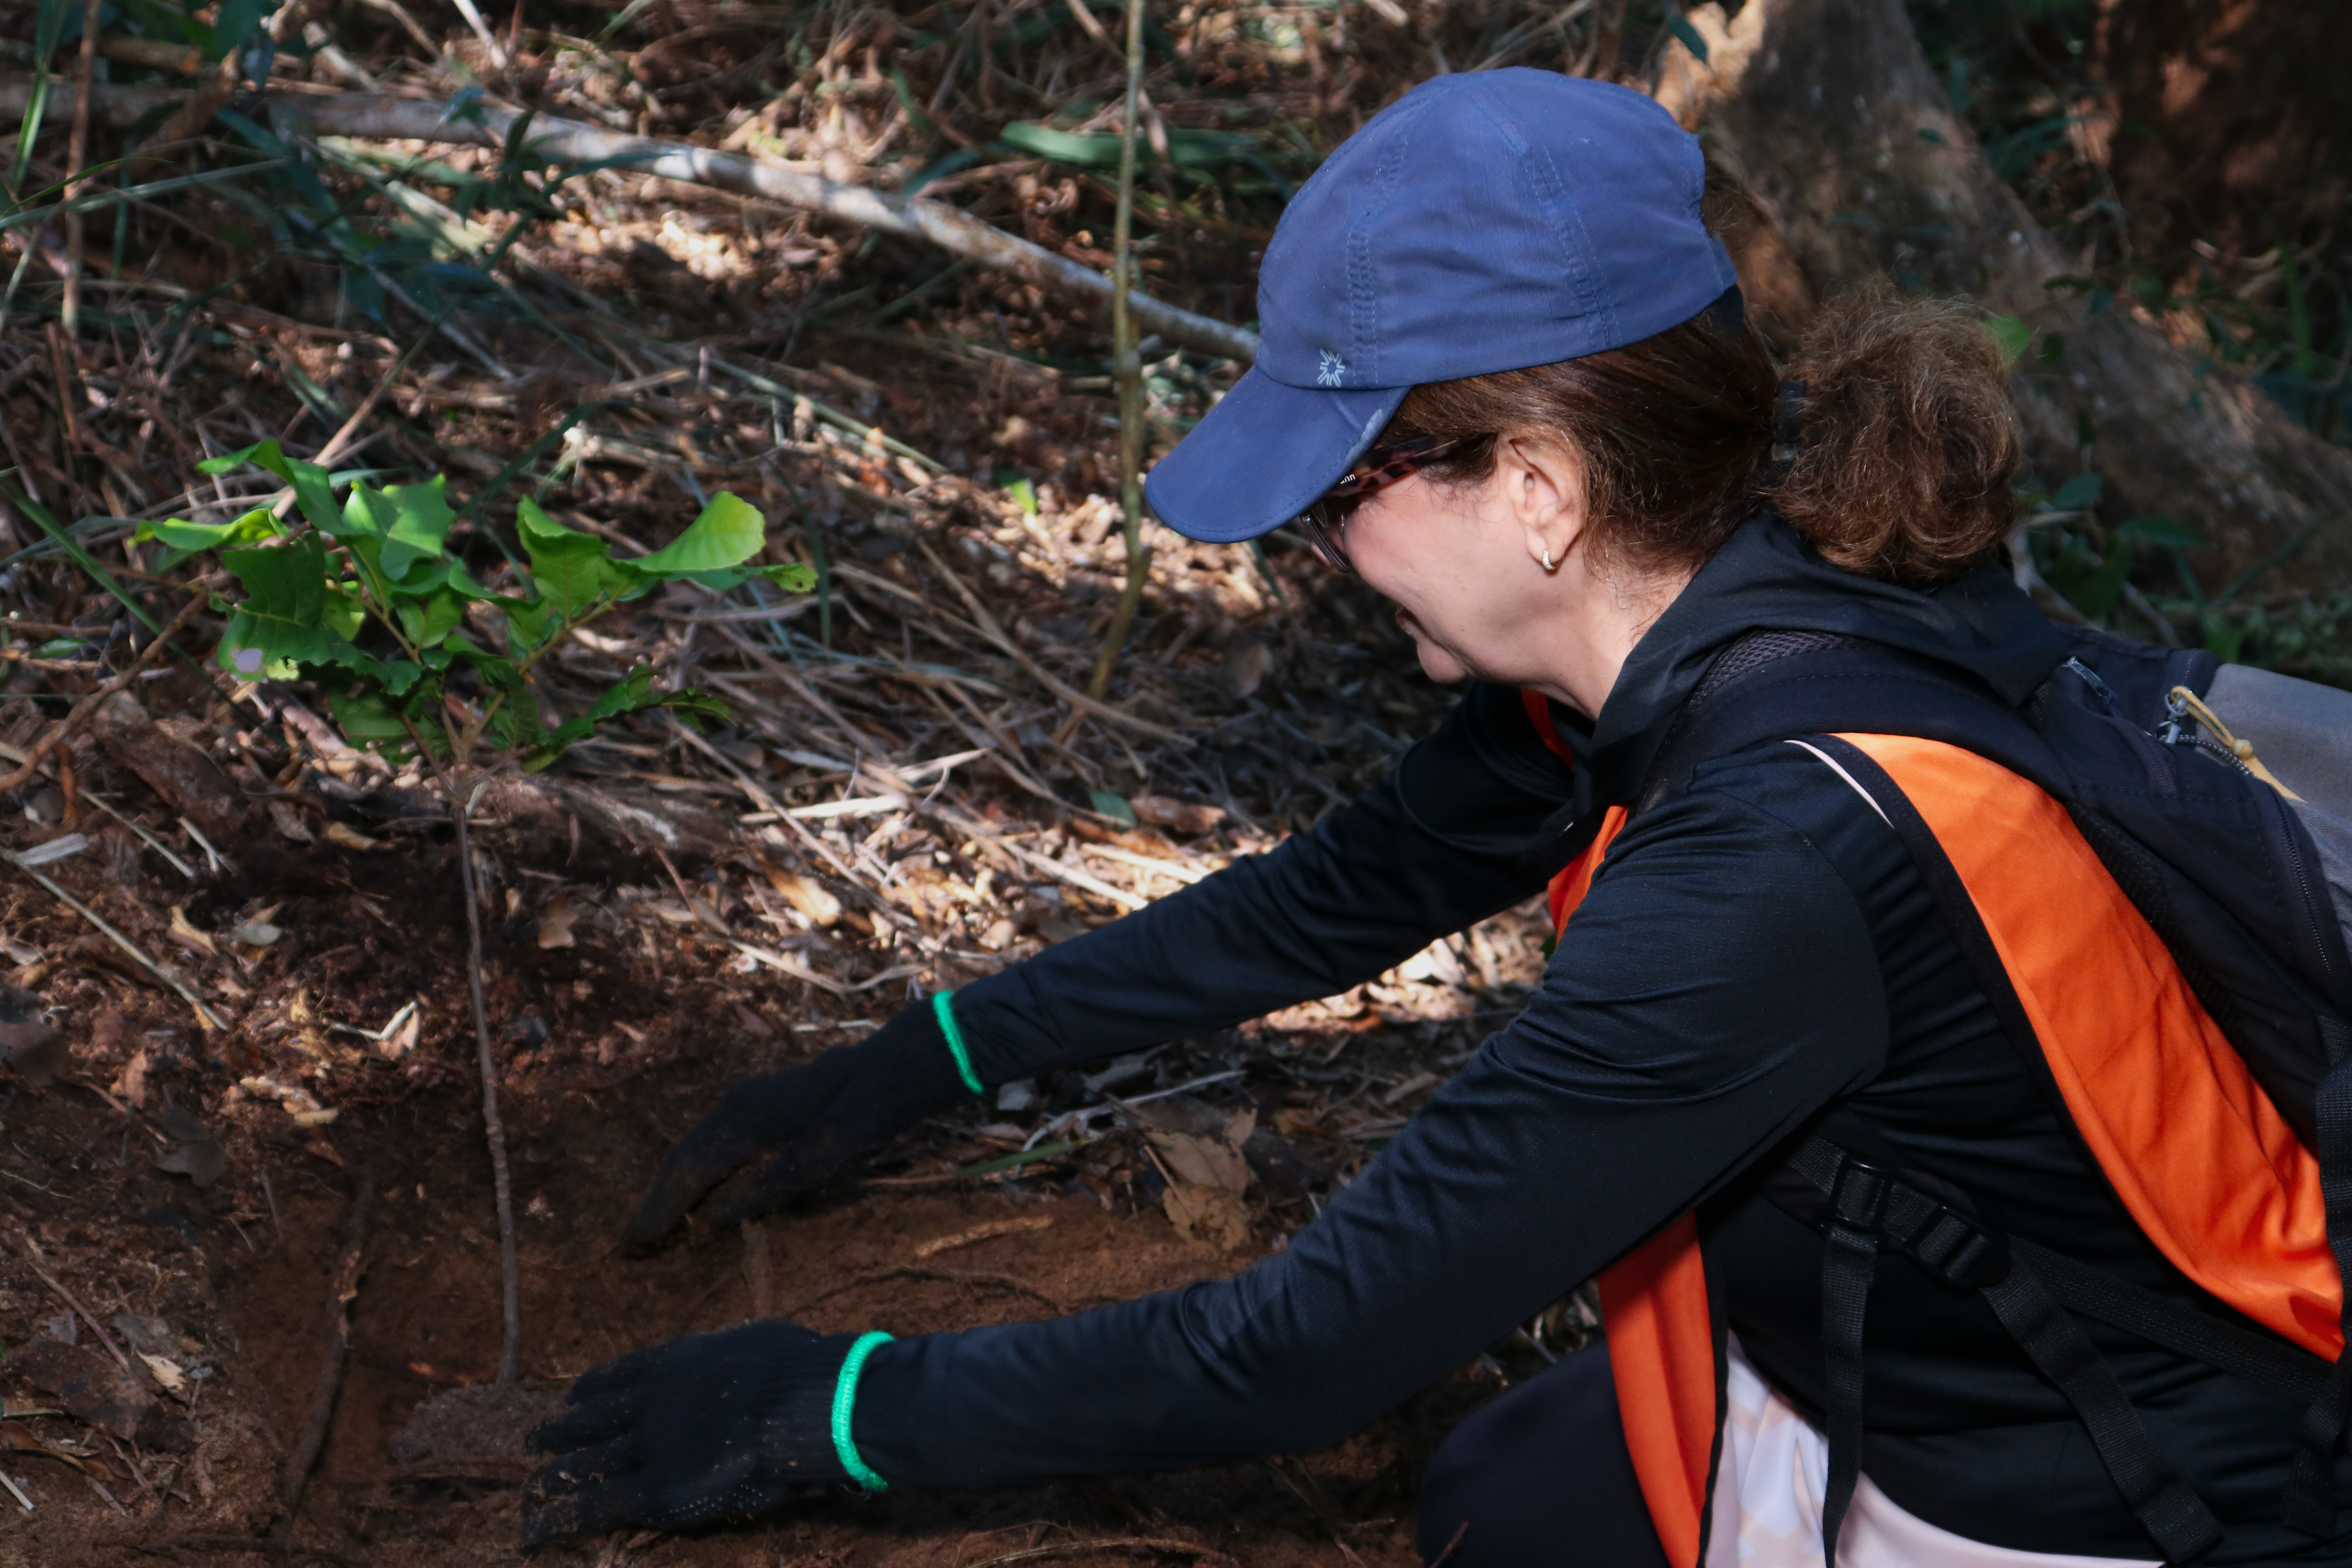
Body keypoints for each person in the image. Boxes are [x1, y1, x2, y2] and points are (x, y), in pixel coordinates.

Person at [520, 70, 2352, 1567]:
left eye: (1350, 486)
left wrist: (829, 1411)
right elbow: (1339, 897)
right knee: (1500, 1498)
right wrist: (918, 1060)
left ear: (1539, 486)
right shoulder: (1729, 595)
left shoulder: (1781, 854)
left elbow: (1311, 1346)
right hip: (1908, 1330)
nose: (1328, 546)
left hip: (2119, 1488)